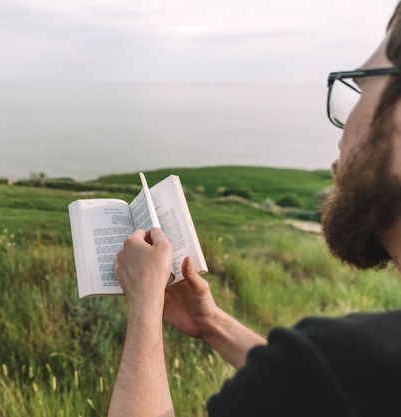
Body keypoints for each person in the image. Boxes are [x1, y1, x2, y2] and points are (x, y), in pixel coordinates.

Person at [108, 3, 401, 416]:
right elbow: (321, 392)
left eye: (358, 87)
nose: (342, 132)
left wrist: (143, 307)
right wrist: (211, 323)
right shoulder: (352, 373)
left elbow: (324, 380)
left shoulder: (343, 362)